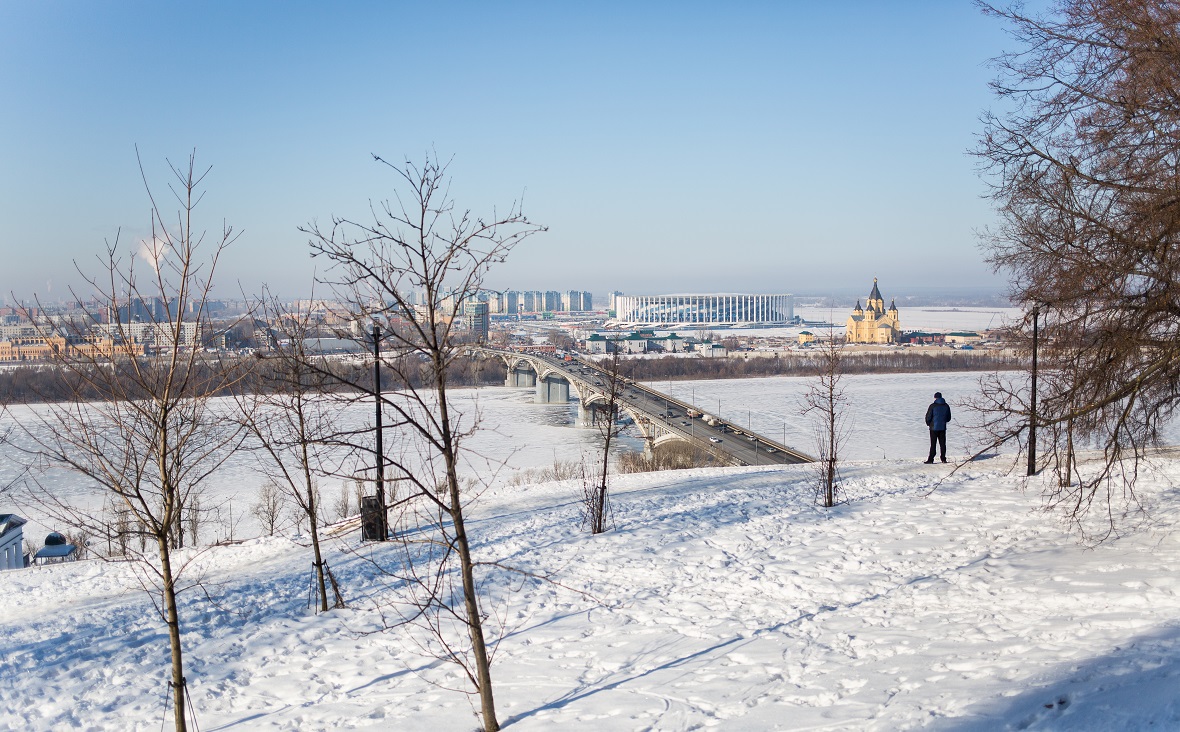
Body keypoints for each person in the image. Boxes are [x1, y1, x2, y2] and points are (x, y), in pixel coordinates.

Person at [924, 392, 951, 464]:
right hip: (942, 427)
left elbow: (928, 416)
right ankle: (943, 459)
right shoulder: (946, 406)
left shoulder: (932, 406)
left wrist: (928, 423)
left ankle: (930, 459)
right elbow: (948, 418)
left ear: (935, 398)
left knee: (933, 444)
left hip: (933, 428)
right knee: (942, 444)